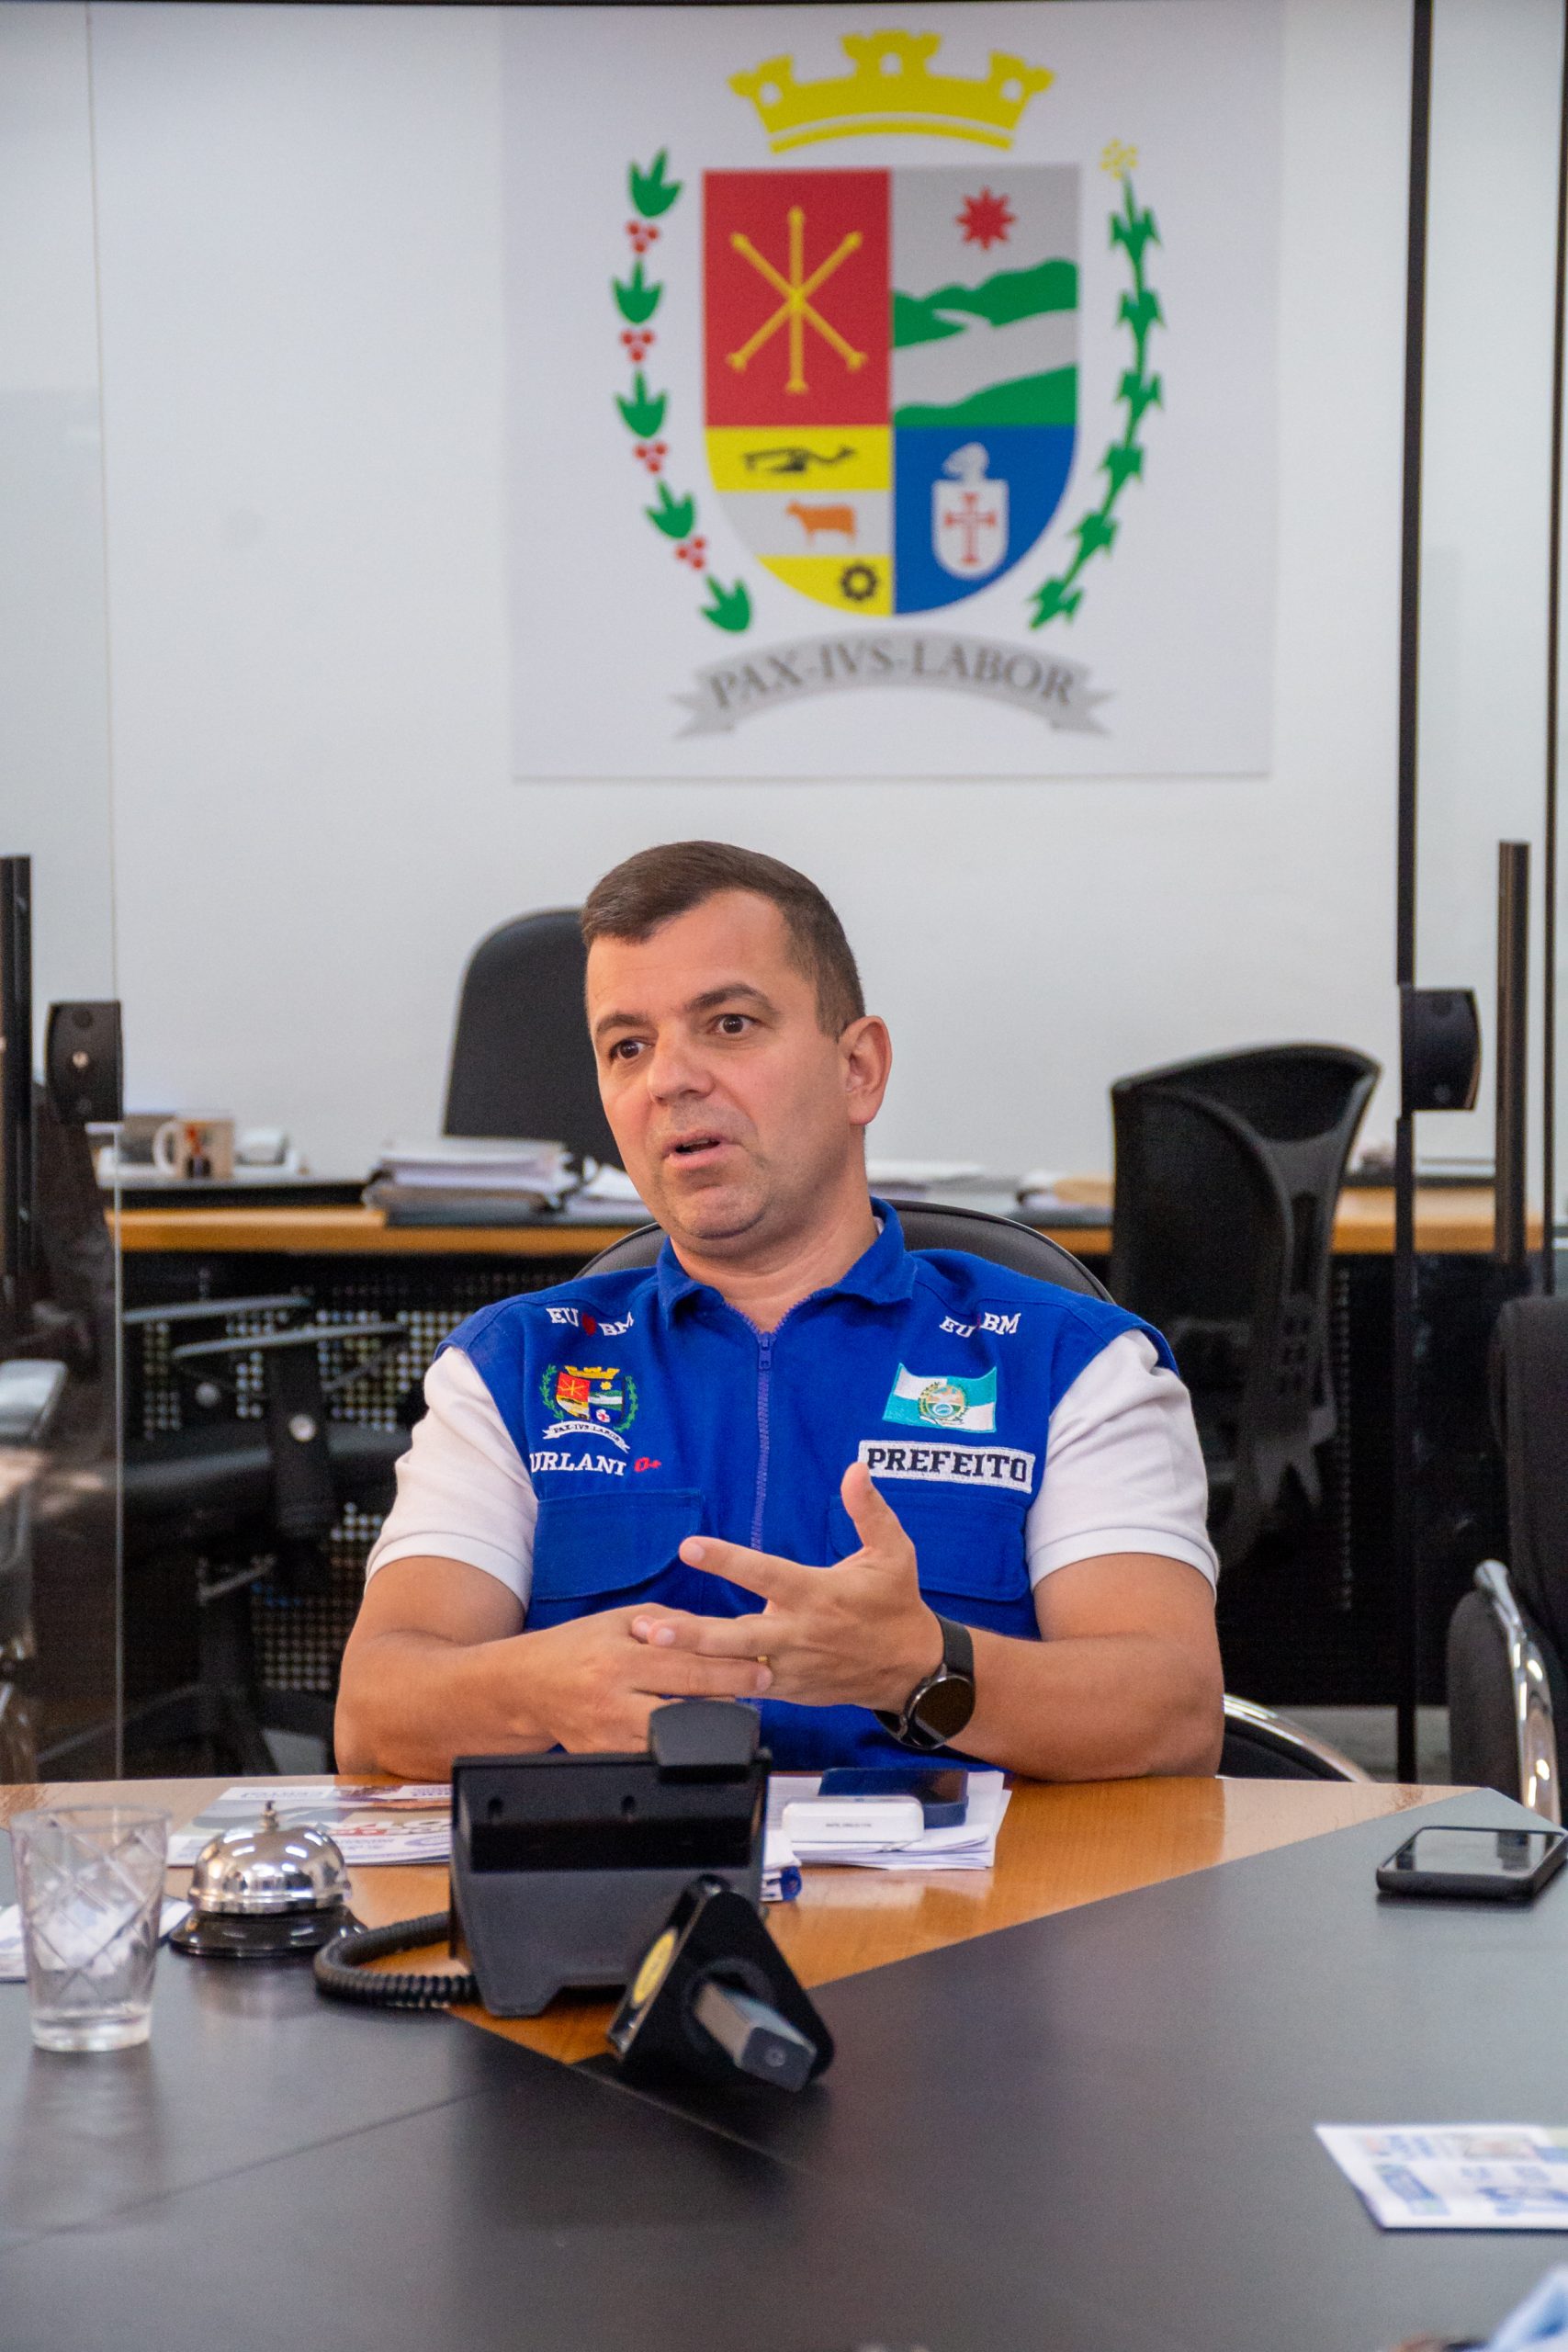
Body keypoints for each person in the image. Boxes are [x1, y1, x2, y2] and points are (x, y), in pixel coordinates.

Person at [336, 842, 1223, 1781]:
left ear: (859, 1069)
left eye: (728, 1024)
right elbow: (373, 1712)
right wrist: (536, 1688)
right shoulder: (514, 1367)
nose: (669, 1079)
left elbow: (1171, 1714)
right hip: (620, 1870)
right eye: (628, 1046)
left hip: (978, 1874)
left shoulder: (1070, 1362)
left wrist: (921, 1668)